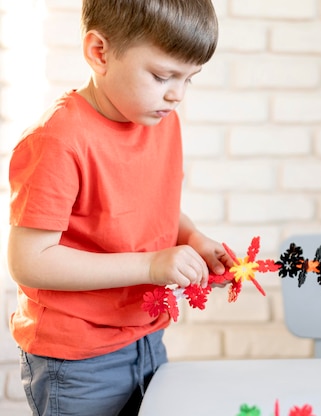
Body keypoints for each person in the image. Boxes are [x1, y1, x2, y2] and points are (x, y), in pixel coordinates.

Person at [7, 1, 232, 414]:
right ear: (99, 52)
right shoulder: (59, 141)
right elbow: (30, 261)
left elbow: (149, 211)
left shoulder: (161, 122)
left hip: (146, 337)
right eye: (163, 75)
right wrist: (151, 266)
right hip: (77, 360)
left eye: (189, 79)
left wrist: (192, 238)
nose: (176, 94)